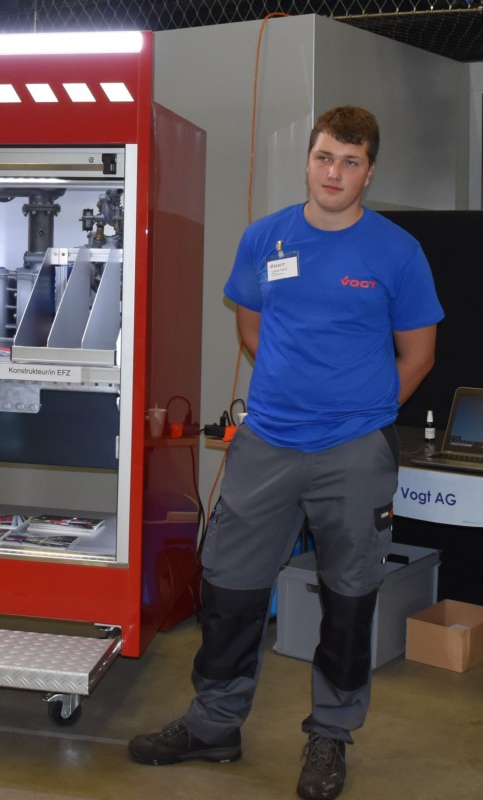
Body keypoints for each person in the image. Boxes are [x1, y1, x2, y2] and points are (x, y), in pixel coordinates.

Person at [128, 106, 444, 800]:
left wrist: (358, 411)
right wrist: (292, 395)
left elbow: (418, 355)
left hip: (354, 452)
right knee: (230, 587)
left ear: (369, 172)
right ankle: (214, 724)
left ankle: (330, 737)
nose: (334, 173)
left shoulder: (397, 252)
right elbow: (252, 326)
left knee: (349, 598)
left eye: (350, 162)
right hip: (266, 443)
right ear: (308, 159)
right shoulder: (265, 238)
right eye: (325, 157)